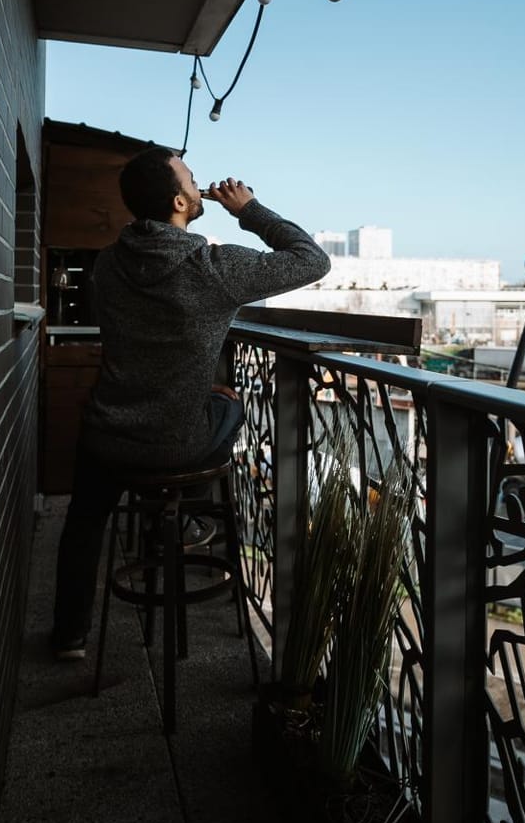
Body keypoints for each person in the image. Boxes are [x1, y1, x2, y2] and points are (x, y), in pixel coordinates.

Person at [51, 142, 331, 658]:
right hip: (174, 445)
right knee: (233, 405)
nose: (200, 185)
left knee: (84, 522)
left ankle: (69, 635)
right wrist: (249, 209)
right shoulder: (211, 267)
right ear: (180, 202)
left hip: (106, 436)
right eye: (191, 180)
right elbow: (313, 260)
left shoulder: (108, 264)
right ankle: (184, 516)